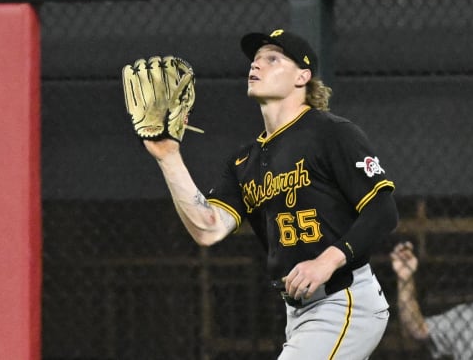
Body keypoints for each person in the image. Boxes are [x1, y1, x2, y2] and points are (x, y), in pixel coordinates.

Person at [141, 28, 399, 359]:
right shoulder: (245, 160)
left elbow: (383, 211)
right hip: (299, 312)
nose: (257, 65)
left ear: (302, 76)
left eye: (272, 58)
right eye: (256, 59)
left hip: (343, 300)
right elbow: (209, 229)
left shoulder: (331, 133)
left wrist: (325, 261)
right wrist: (168, 157)